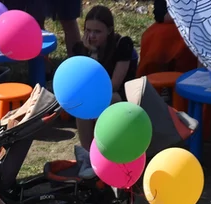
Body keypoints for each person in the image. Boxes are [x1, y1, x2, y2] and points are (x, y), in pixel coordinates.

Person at [70, 6, 137, 148]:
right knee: (83, 103)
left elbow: (114, 85)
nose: (92, 36)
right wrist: (90, 53)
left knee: (104, 99)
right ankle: (88, 152)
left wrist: (94, 56)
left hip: (121, 96)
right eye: (88, 30)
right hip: (95, 95)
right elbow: (80, 82)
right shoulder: (80, 49)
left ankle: (104, 148)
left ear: (109, 30)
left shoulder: (122, 45)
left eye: (97, 31)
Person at [135, 1, 198, 78]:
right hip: (169, 26)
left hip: (195, 28)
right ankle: (155, 78)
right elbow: (160, 15)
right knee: (155, 37)